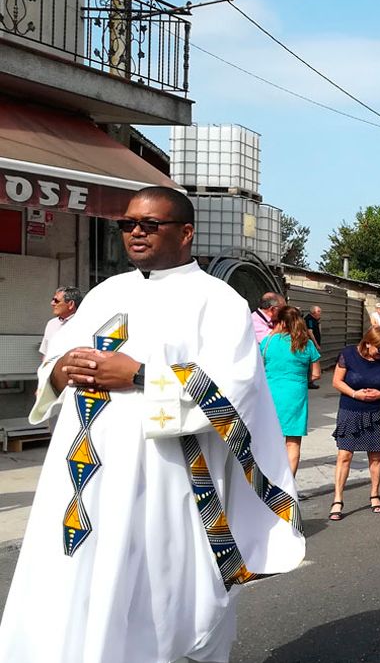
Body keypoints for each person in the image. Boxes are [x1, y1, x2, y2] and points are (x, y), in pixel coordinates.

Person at [0, 187, 305, 662]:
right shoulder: (106, 292)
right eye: (127, 224)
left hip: (166, 476)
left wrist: (138, 374)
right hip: (84, 477)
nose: (135, 232)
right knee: (75, 589)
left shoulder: (217, 301)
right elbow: (59, 362)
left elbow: (233, 392)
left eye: (149, 224)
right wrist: (60, 372)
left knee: (166, 601)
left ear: (185, 233)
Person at [329, 326, 380, 519]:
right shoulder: (348, 355)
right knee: (344, 455)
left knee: (375, 456)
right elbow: (336, 381)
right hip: (350, 410)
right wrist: (355, 393)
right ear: (368, 344)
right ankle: (337, 499)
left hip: (375, 412)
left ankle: (375, 495)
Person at [261, 305, 322, 475]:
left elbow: (258, 368)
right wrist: (301, 379)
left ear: (280, 321)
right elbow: (316, 374)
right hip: (296, 393)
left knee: (271, 439)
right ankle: (289, 485)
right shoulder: (306, 343)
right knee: (293, 442)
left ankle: (271, 480)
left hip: (271, 394)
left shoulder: (268, 342)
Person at [40, 286, 82, 361]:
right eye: (52, 300)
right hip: (52, 371)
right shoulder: (51, 324)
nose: (52, 303)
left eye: (56, 301)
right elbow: (45, 353)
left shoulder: (83, 324)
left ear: (71, 304)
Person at [305, 305, 323, 389]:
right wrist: (316, 344)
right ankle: (309, 381)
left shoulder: (315, 320)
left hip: (313, 344)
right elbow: (310, 332)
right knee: (311, 363)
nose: (320, 313)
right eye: (318, 311)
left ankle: (310, 381)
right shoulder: (309, 320)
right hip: (311, 344)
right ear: (313, 312)